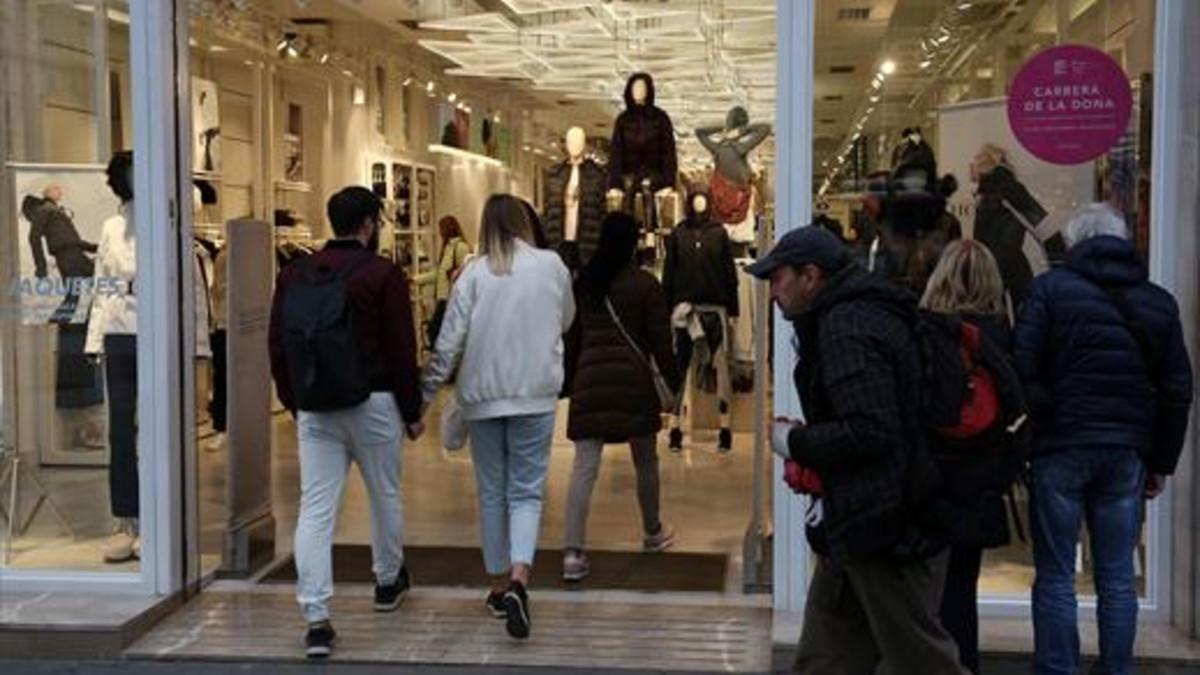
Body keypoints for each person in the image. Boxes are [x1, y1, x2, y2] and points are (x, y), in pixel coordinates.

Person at [747, 226, 968, 675]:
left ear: (810, 276)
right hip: (861, 520)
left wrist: (793, 442)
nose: (772, 293)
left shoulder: (845, 326)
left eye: (778, 278)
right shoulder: (862, 314)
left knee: (922, 662)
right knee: (827, 655)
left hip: (884, 524)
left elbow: (871, 430)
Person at [1012, 204, 1193, 675]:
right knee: (1116, 577)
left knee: (1055, 575)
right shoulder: (1157, 301)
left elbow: (1021, 367)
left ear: (1075, 243)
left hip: (1061, 447)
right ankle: (1117, 669)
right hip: (1126, 452)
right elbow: (1177, 389)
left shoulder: (1050, 290)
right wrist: (1161, 461)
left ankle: (1058, 668)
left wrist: (1042, 417)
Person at [267, 186, 424, 659]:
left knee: (315, 510)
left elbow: (278, 346)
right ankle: (386, 582)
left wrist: (296, 403)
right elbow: (401, 349)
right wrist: (412, 411)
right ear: (369, 224)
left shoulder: (295, 273)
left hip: (317, 406)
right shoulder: (381, 273)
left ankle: (316, 617)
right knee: (384, 494)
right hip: (374, 402)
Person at [421, 194, 575, 640]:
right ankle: (519, 581)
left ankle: (496, 585)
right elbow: (565, 319)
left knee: (492, 492)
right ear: (525, 222)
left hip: (483, 398)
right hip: (535, 395)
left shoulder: (472, 272)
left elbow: (448, 344)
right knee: (526, 492)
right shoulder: (551, 266)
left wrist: (423, 401)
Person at [561, 212, 682, 582]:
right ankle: (652, 531)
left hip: (591, 379)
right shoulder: (645, 285)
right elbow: (661, 341)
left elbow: (571, 337)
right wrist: (674, 383)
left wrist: (569, 380)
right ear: (633, 243)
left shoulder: (585, 284)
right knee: (645, 460)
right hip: (633, 381)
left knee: (584, 468)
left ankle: (573, 552)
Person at [920, 240, 1020, 674]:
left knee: (924, 594)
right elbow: (1017, 410)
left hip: (931, 481)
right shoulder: (1000, 337)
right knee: (963, 588)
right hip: (978, 483)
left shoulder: (925, 334)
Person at [970, 143, 1048, 310]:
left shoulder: (996, 190)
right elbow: (1040, 221)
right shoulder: (1003, 188)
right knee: (1025, 314)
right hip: (1013, 262)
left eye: (976, 162)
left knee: (992, 318)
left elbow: (1040, 222)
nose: (972, 167)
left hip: (992, 265)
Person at [420, 215, 471, 348]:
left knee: (435, 332)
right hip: (443, 298)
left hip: (451, 299)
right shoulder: (447, 248)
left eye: (441, 229)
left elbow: (466, 272)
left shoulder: (460, 247)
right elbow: (438, 274)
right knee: (436, 333)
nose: (440, 232)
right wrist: (416, 279)